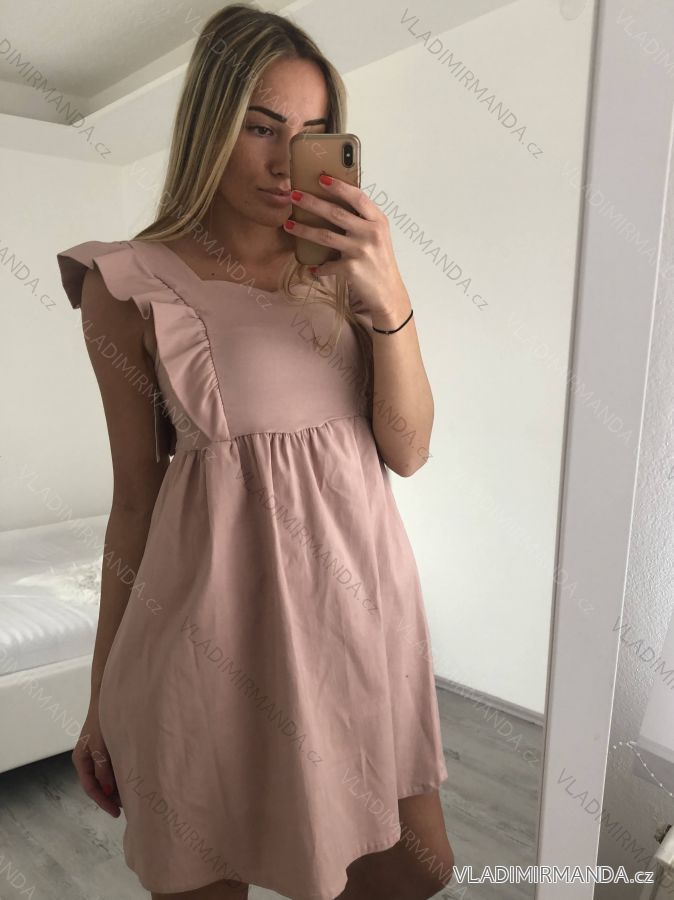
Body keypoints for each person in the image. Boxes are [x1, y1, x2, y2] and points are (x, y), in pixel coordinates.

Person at [57, 4, 454, 898]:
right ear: (209, 125)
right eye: (261, 127)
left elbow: (408, 450)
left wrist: (388, 295)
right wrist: (99, 696)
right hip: (208, 649)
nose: (285, 163)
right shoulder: (126, 282)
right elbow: (135, 499)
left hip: (359, 632)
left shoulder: (347, 268)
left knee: (416, 871)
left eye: (312, 135)